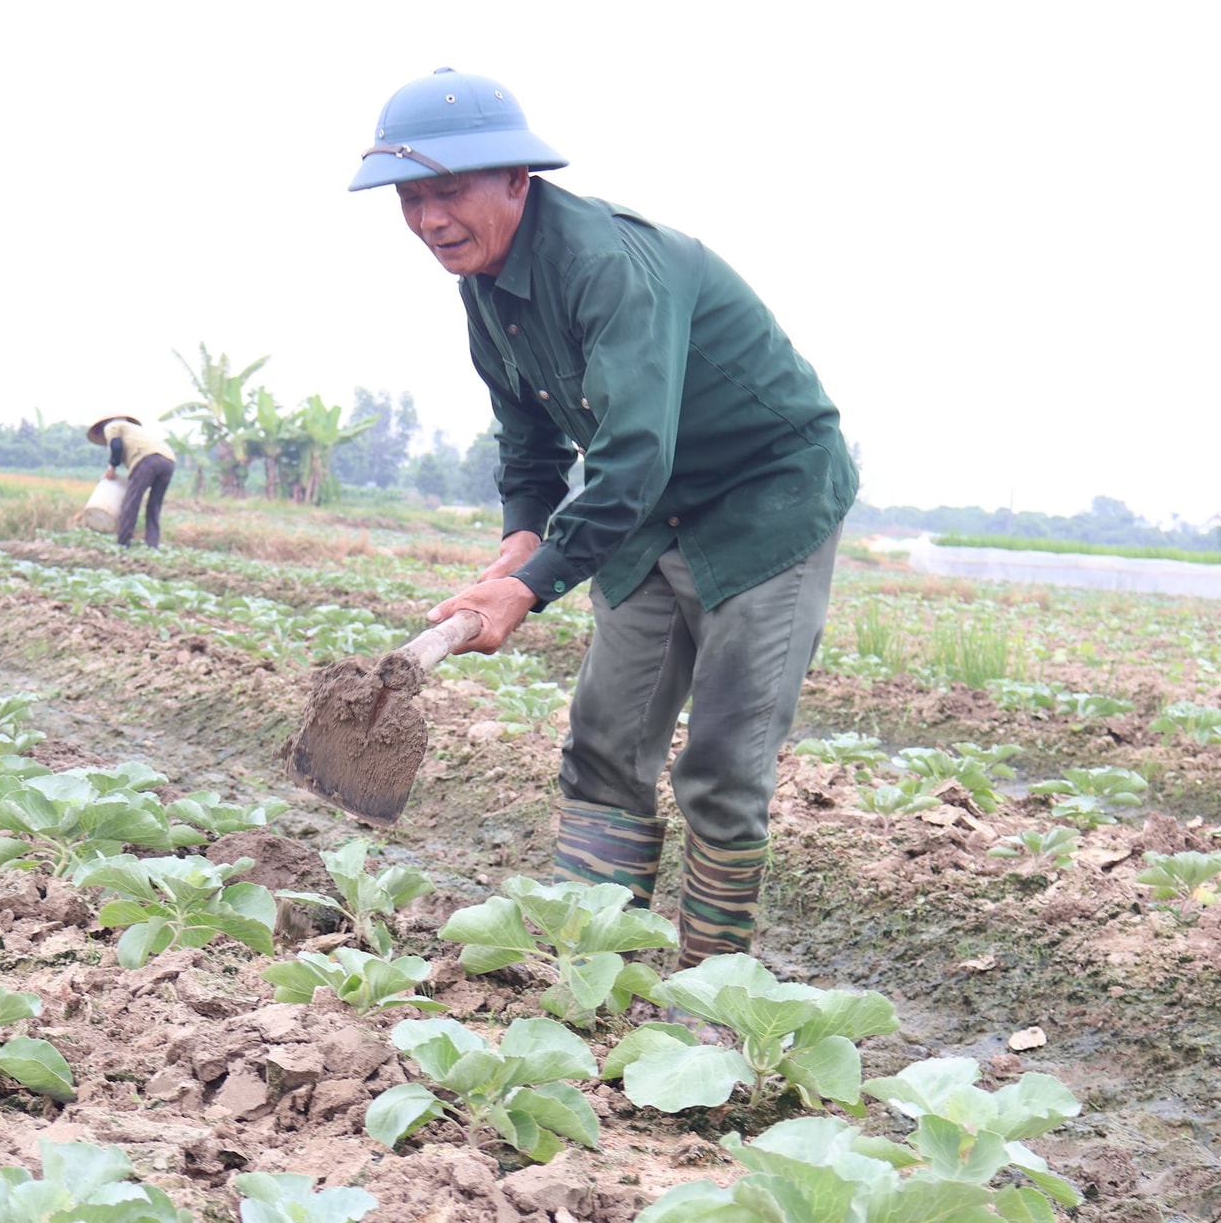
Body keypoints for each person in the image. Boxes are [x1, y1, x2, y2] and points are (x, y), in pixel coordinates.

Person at [350, 69, 857, 971]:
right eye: (411, 198)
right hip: (646, 512)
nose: (429, 220)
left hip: (762, 504)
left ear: (516, 179)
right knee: (604, 744)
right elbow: (528, 435)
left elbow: (630, 456)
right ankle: (593, 971)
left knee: (724, 765)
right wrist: (521, 535)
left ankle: (713, 991)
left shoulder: (606, 264)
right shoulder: (485, 284)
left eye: (449, 191)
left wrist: (530, 590)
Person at [86, 414, 176, 549]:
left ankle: (123, 544)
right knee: (154, 506)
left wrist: (112, 467)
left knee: (131, 501)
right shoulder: (135, 433)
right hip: (169, 461)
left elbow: (116, 446)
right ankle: (152, 545)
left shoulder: (112, 427)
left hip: (147, 459)